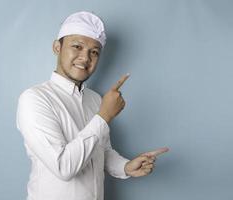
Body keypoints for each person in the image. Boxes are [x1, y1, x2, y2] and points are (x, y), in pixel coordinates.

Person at [16, 11, 169, 200]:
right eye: (77, 46)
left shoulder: (95, 99)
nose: (85, 57)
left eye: (94, 52)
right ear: (57, 47)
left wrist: (126, 167)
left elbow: (101, 152)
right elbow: (63, 167)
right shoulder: (34, 99)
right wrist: (104, 115)